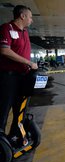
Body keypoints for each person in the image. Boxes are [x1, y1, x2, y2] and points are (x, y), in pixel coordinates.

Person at [0, 5, 38, 139]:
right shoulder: (7, 28)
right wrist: (28, 63)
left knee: (20, 110)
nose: (31, 20)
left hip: (23, 76)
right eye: (30, 17)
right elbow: (4, 50)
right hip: (8, 77)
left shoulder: (25, 32)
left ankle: (14, 136)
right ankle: (1, 141)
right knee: (4, 109)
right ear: (22, 16)